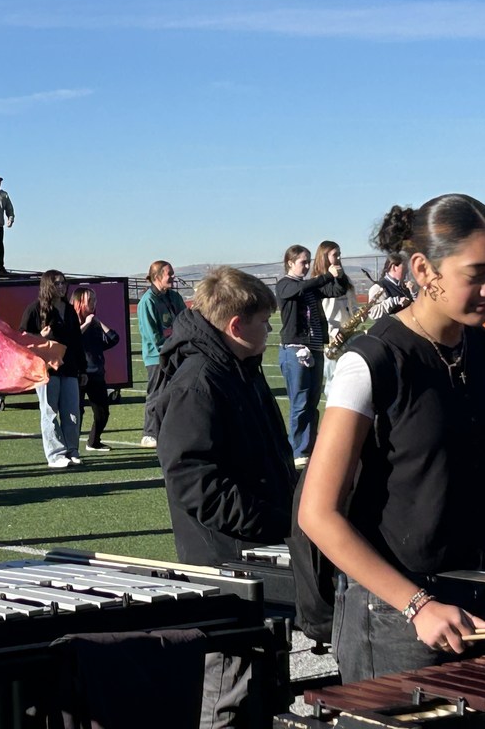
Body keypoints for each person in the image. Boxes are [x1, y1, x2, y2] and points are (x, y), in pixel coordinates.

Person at [298, 195, 485, 684]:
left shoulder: (481, 348)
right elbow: (318, 513)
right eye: (477, 274)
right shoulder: (372, 360)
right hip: (397, 617)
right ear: (424, 269)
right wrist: (418, 605)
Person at [152, 266, 296, 728]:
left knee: (262, 689)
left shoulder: (239, 369)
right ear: (236, 326)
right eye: (263, 322)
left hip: (251, 551)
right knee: (227, 692)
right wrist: (274, 521)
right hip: (224, 560)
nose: (270, 330)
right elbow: (194, 482)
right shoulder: (200, 380)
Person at [275, 245, 346, 467]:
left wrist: (339, 274)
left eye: (308, 262)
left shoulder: (310, 286)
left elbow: (336, 291)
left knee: (313, 400)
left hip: (315, 348)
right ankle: (298, 450)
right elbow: (303, 287)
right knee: (300, 402)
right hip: (296, 350)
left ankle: (310, 445)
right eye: (302, 262)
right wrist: (326, 275)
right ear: (290, 263)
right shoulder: (285, 284)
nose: (306, 266)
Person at [19, 270, 87, 469]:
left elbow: (77, 341)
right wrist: (40, 336)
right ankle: (55, 454)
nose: (62, 286)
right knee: (49, 411)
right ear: (48, 285)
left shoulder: (69, 309)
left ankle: (72, 450)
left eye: (64, 283)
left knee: (72, 412)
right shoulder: (35, 310)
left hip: (69, 368)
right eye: (57, 283)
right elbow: (22, 339)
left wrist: (82, 369)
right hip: (47, 369)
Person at [137, 260, 187, 448]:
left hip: (177, 353)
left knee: (176, 394)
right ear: (157, 277)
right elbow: (152, 335)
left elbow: (185, 322)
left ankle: (171, 430)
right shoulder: (148, 301)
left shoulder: (174, 297)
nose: (173, 277)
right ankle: (149, 433)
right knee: (157, 394)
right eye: (169, 274)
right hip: (157, 357)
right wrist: (168, 350)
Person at [70, 287, 119, 452]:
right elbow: (72, 339)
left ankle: (94, 441)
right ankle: (71, 446)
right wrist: (86, 323)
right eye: (89, 301)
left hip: (96, 373)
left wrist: (98, 323)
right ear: (79, 303)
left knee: (102, 413)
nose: (93, 304)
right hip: (77, 374)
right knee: (76, 412)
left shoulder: (94, 324)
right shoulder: (71, 322)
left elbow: (113, 339)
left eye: (95, 300)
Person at [313, 240, 359, 395]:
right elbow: (319, 312)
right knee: (333, 380)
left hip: (350, 333)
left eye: (339, 254)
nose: (339, 258)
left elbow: (353, 305)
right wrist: (332, 332)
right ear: (325, 257)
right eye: (335, 255)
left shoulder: (346, 279)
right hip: (333, 338)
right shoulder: (318, 281)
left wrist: (360, 315)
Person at [367, 249, 416, 319]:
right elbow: (372, 313)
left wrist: (413, 293)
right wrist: (395, 301)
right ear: (394, 267)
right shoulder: (379, 287)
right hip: (391, 329)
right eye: (404, 267)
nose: (407, 271)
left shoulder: (404, 286)